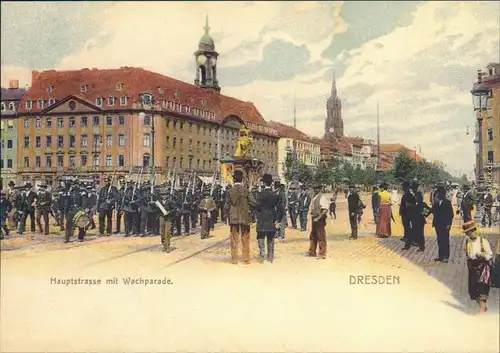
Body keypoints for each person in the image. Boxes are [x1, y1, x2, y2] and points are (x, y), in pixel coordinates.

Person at [224, 170, 255, 265]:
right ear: (242, 180)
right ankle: (246, 259)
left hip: (233, 217)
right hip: (245, 217)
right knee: (245, 238)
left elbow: (226, 205)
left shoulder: (230, 191)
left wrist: (225, 215)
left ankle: (234, 259)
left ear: (234, 179)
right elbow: (253, 202)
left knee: (234, 238)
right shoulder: (246, 191)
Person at [463, 220, 493, 314]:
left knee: (482, 287)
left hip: (483, 267)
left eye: (475, 230)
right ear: (468, 234)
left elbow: (490, 255)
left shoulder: (483, 241)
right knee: (473, 289)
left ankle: (481, 309)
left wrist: (483, 255)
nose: (474, 232)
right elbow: (469, 255)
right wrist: (472, 256)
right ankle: (482, 307)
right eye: (471, 231)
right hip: (472, 267)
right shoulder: (468, 242)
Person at [255, 174, 283, 263]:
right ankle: (270, 257)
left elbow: (256, 206)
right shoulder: (275, 195)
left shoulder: (260, 194)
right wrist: (278, 219)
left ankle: (262, 255)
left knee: (261, 236)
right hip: (272, 218)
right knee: (271, 238)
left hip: (262, 218)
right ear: (271, 183)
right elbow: (280, 209)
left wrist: (257, 214)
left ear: (263, 183)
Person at [431, 183, 454, 263]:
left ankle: (446, 257)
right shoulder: (436, 202)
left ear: (442, 194)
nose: (437, 195)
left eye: (438, 193)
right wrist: (434, 204)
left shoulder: (447, 203)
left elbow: (451, 215)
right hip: (438, 224)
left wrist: (449, 224)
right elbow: (433, 212)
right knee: (439, 240)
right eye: (437, 193)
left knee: (445, 240)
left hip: (445, 225)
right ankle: (440, 256)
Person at [308, 183, 329, 259]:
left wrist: (319, 218)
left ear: (320, 189)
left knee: (321, 236)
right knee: (313, 236)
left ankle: (322, 253)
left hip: (319, 219)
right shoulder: (314, 197)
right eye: (314, 188)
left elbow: (325, 209)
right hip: (314, 218)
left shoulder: (322, 197)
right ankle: (312, 251)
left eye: (317, 188)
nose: (315, 190)